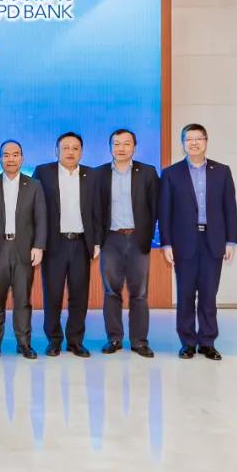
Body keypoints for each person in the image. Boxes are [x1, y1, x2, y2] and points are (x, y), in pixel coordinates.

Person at [159, 124, 237, 361]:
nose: (194, 143)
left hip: (213, 241)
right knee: (185, 294)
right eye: (189, 139)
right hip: (184, 242)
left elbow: (230, 208)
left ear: (206, 141)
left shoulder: (222, 171)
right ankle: (187, 342)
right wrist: (166, 244)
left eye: (198, 138)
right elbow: (165, 212)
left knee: (208, 294)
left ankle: (207, 342)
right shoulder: (171, 173)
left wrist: (231, 241)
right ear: (183, 143)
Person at [32, 132, 99, 358]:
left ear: (81, 151)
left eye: (75, 148)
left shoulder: (91, 175)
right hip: (54, 243)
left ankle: (75, 341)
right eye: (66, 148)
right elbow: (34, 209)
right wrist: (37, 242)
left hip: (81, 243)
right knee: (52, 295)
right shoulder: (43, 172)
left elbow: (97, 210)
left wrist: (96, 241)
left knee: (79, 295)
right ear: (57, 150)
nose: (70, 152)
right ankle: (54, 340)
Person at [94, 128, 159, 358]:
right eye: (116, 143)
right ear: (110, 147)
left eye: (126, 143)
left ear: (134, 147)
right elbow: (94, 210)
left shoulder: (148, 172)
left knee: (139, 293)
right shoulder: (99, 174)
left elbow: (155, 206)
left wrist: (149, 234)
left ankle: (139, 341)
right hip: (111, 239)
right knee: (111, 291)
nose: (121, 148)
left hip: (138, 239)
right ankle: (114, 338)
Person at [0, 141, 47, 360]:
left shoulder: (34, 185)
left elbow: (41, 218)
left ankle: (24, 344)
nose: (11, 159)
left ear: (22, 158)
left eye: (15, 154)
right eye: (6, 155)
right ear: (0, 158)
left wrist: (39, 245)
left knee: (23, 300)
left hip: (24, 250)